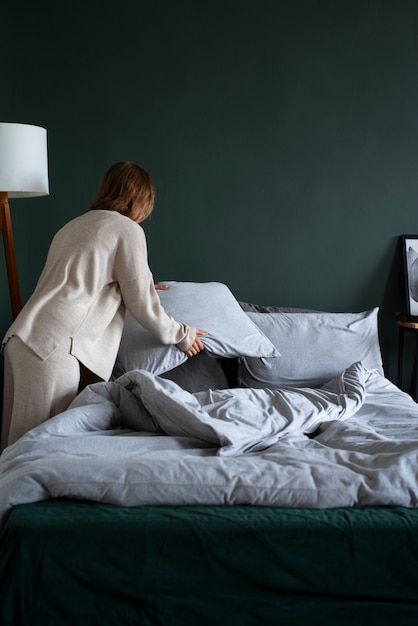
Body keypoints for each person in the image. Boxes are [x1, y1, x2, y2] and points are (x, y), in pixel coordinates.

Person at [1, 161, 206, 450]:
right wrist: (183, 335)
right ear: (137, 196)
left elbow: (91, 280)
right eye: (146, 203)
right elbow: (143, 304)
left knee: (12, 449)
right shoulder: (127, 229)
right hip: (54, 348)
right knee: (39, 449)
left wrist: (142, 283)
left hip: (23, 339)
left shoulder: (74, 226)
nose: (146, 213)